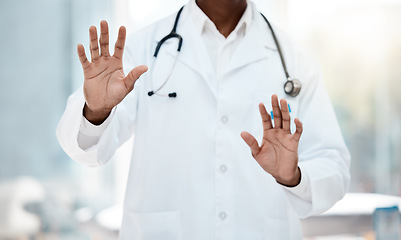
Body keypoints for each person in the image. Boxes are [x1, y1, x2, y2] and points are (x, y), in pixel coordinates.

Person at [57, 0, 351, 239]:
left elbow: (333, 165)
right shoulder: (142, 48)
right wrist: (96, 110)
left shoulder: (294, 59)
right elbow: (85, 148)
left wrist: (293, 176)